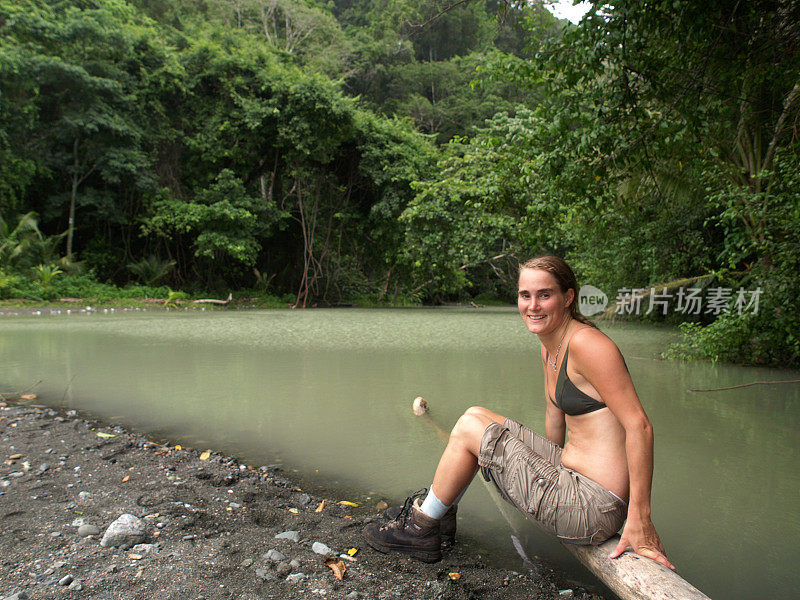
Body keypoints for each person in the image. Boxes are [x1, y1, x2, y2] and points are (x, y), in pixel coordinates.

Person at [363, 255, 674, 570]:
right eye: (525, 295)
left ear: (568, 297)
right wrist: (538, 468)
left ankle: (421, 528)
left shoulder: (589, 346)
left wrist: (640, 518)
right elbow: (555, 418)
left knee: (472, 427)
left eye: (544, 295)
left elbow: (640, 427)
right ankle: (437, 516)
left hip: (591, 507)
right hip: (571, 479)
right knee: (476, 414)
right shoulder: (550, 342)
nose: (533, 305)